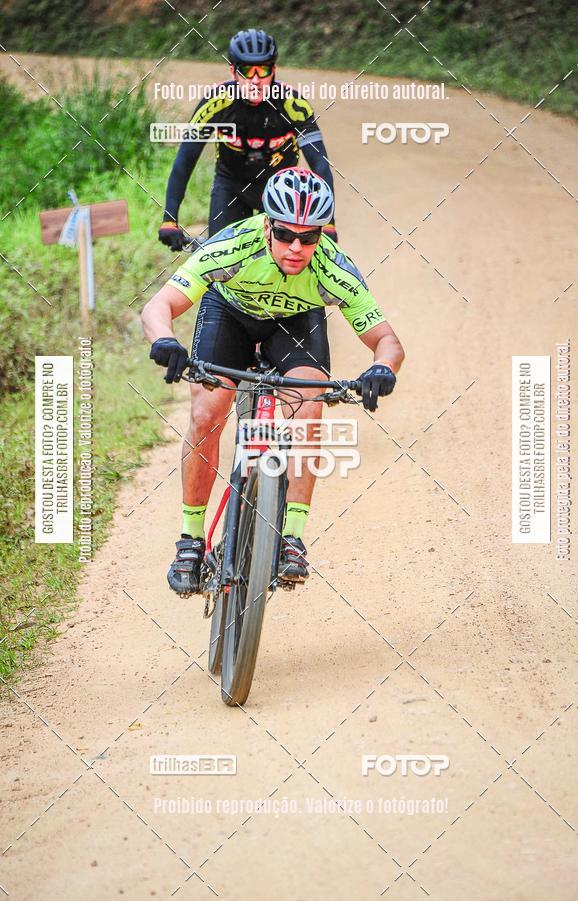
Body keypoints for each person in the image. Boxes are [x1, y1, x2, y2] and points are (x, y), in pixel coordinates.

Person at [142, 168, 404, 596]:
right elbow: (160, 305)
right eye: (285, 234)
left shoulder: (332, 267)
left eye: (309, 236)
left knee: (309, 404)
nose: (297, 247)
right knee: (208, 412)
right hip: (230, 315)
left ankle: (293, 538)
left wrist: (383, 368)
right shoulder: (232, 245)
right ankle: (190, 540)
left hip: (295, 324)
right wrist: (165, 341)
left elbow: (386, 339)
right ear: (267, 225)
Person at [158, 27, 337, 248]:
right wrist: (170, 219)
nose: (255, 80)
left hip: (280, 189)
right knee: (219, 260)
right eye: (246, 71)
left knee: (287, 260)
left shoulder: (292, 104)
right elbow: (185, 160)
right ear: (233, 72)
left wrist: (328, 223)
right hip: (231, 185)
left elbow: (320, 163)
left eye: (262, 71)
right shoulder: (217, 103)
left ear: (274, 71)